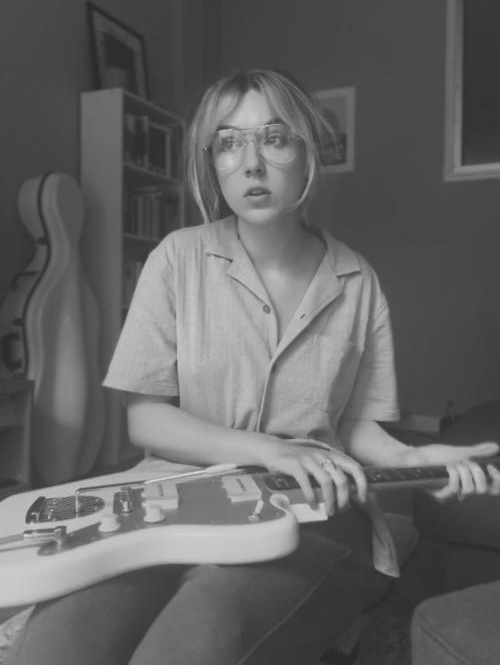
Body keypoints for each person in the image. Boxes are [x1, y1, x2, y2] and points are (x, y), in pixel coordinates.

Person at [6, 68, 500, 665]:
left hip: (312, 504)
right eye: (229, 142)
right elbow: (147, 422)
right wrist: (269, 447)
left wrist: (416, 457)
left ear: (307, 149)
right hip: (172, 496)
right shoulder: (176, 260)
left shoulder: (358, 281)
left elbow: (358, 427)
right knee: (62, 638)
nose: (252, 163)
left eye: (274, 137)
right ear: (212, 162)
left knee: (196, 634)